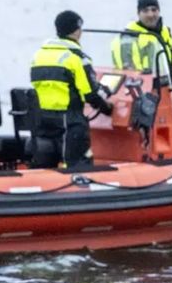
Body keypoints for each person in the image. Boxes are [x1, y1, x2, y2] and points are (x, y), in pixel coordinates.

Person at [30, 10, 113, 169]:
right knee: (81, 160)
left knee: (47, 162)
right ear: (77, 30)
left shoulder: (39, 56)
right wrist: (106, 106)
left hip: (43, 120)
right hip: (70, 121)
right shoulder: (77, 59)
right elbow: (90, 94)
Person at [110, 0, 172, 88]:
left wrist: (169, 80)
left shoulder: (165, 32)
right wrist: (165, 80)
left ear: (159, 11)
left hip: (165, 92)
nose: (150, 14)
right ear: (138, 14)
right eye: (145, 11)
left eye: (154, 10)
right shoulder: (127, 39)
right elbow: (129, 77)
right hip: (139, 95)